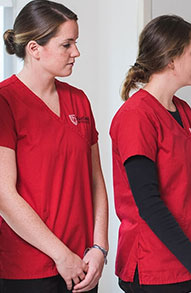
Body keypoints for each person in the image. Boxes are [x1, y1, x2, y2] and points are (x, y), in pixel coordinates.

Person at [110, 15, 191, 293]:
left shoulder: (184, 111)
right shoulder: (136, 116)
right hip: (156, 267)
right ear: (171, 60)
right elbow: (148, 204)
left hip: (190, 261)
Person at [0, 1, 109, 293]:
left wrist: (99, 247)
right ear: (34, 49)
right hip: (29, 270)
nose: (76, 52)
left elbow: (96, 181)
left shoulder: (79, 100)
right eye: (67, 44)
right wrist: (61, 256)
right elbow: (4, 195)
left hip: (83, 266)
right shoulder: (5, 102)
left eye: (76, 43)